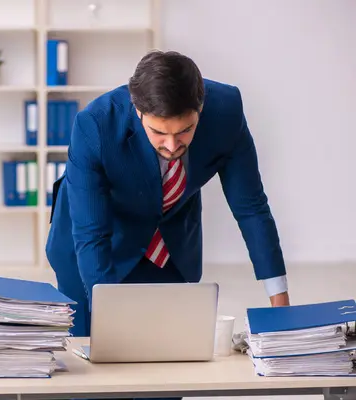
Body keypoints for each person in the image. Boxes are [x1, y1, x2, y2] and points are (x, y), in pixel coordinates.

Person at [45, 50, 290, 343]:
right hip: (92, 245)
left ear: (201, 107)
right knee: (98, 370)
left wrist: (280, 306)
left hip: (168, 243)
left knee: (169, 363)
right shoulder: (96, 125)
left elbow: (251, 207)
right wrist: (111, 321)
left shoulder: (226, 112)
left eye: (185, 131)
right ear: (138, 111)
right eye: (159, 133)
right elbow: (91, 234)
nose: (173, 145)